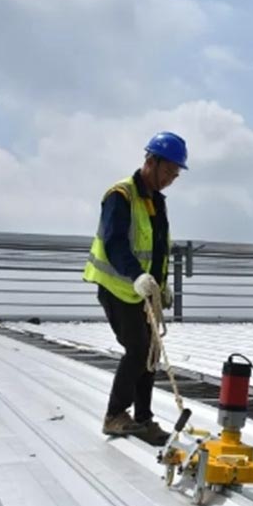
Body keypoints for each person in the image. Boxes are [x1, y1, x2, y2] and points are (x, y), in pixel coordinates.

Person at [83, 132, 188, 446]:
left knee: (151, 353)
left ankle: (143, 419)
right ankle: (115, 414)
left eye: (175, 175)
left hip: (142, 293)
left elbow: (158, 250)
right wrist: (137, 276)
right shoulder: (121, 195)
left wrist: (162, 287)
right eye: (167, 171)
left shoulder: (157, 202)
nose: (170, 180)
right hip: (118, 287)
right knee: (139, 349)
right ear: (150, 162)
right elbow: (114, 243)